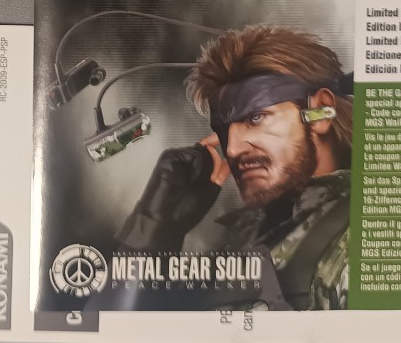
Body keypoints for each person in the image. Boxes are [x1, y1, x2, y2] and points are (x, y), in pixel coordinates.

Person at [113, 26, 352, 310]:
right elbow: (110, 329)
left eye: (256, 117)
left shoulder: (359, 239)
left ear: (321, 112)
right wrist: (155, 228)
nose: (233, 149)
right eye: (224, 131)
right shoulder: (243, 241)